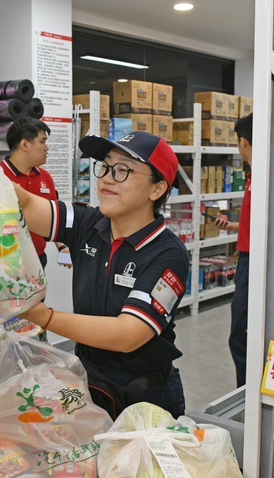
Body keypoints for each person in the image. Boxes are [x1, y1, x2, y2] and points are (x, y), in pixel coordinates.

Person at [14, 131, 190, 419]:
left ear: (156, 190)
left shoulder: (167, 254)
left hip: (145, 400)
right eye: (106, 167)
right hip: (89, 386)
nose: (107, 178)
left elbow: (128, 334)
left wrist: (44, 317)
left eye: (123, 170)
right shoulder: (89, 222)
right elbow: (28, 205)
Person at [213, 113, 274, 388]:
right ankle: (252, 391)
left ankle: (249, 395)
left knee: (243, 336)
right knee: (247, 332)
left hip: (259, 262)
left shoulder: (267, 178)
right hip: (253, 258)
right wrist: (234, 225)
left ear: (243, 142)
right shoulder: (262, 176)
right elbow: (259, 222)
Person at [0, 117, 67, 268]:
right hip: (7, 261)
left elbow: (53, 217)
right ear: (25, 144)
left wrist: (62, 246)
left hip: (39, 259)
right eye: (42, 141)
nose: (47, 148)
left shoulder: (45, 177)